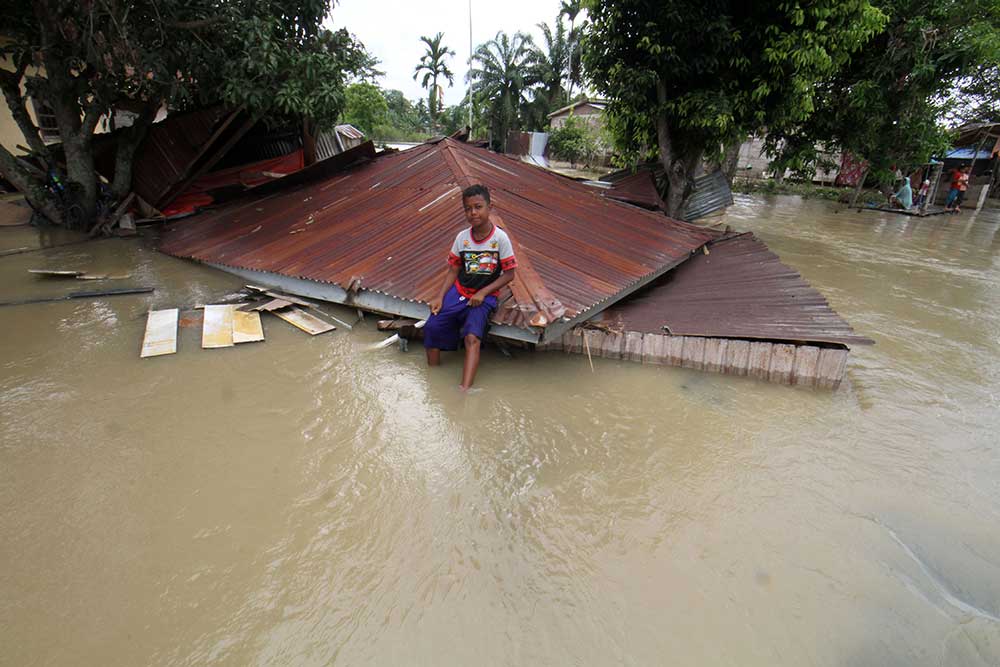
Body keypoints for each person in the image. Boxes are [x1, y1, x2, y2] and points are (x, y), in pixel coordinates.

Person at [423, 184, 517, 390]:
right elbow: (453, 270)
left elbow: (510, 274)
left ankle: (463, 390)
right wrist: (440, 296)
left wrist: (483, 292)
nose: (473, 212)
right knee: (431, 327)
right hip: (460, 291)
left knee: (472, 337)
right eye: (468, 208)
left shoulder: (500, 239)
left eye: (478, 207)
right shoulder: (462, 238)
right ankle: (433, 378)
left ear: (489, 207)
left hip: (487, 295)